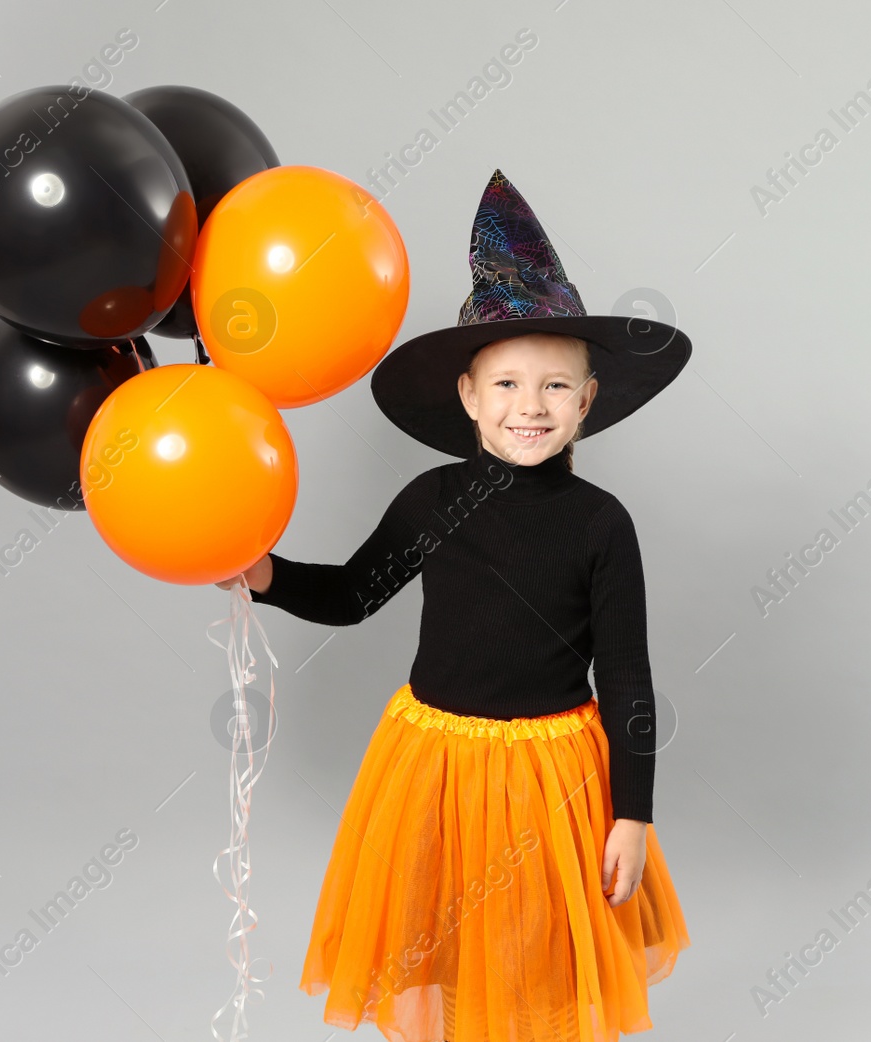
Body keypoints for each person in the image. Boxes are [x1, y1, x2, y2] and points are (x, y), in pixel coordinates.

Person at [216, 169, 691, 1042]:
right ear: (468, 397)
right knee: (445, 950)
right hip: (434, 765)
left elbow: (627, 675)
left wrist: (634, 811)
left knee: (537, 959)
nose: (530, 407)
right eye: (506, 385)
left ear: (587, 403)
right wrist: (269, 575)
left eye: (555, 387)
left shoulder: (600, 524)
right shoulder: (434, 500)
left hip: (554, 777)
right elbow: (358, 593)